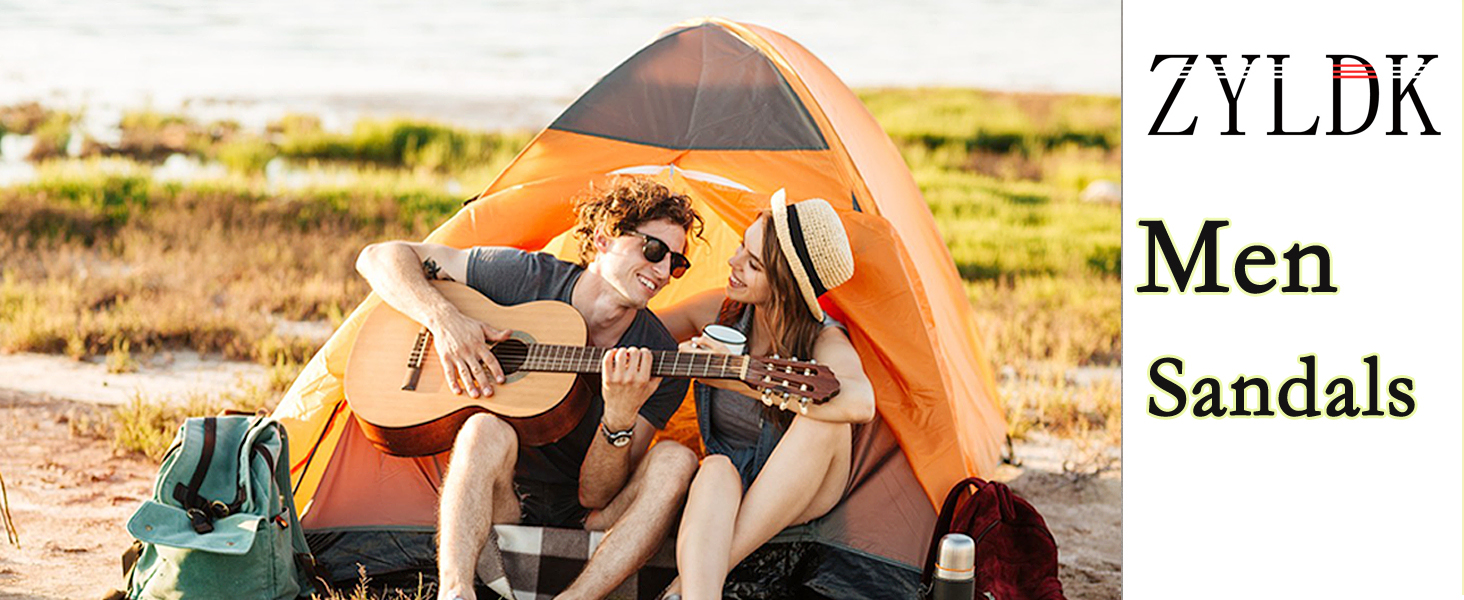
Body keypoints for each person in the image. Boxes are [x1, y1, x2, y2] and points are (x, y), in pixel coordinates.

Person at [353, 176, 703, 600]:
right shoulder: (526, 279)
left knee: (676, 459)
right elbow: (379, 257)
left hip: (591, 520)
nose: (663, 272)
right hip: (503, 503)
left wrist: (618, 417)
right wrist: (444, 321)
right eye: (654, 250)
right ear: (604, 238)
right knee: (485, 427)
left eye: (676, 264)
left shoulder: (658, 357)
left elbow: (596, 495)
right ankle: (455, 591)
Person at [656, 191, 875, 600]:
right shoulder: (720, 312)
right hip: (731, 475)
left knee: (823, 419)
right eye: (742, 245)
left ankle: (682, 586)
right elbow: (637, 333)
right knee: (714, 468)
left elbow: (861, 402)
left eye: (753, 264)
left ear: (786, 287)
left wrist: (739, 377)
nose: (732, 261)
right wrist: (676, 360)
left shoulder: (823, 338)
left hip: (802, 489)